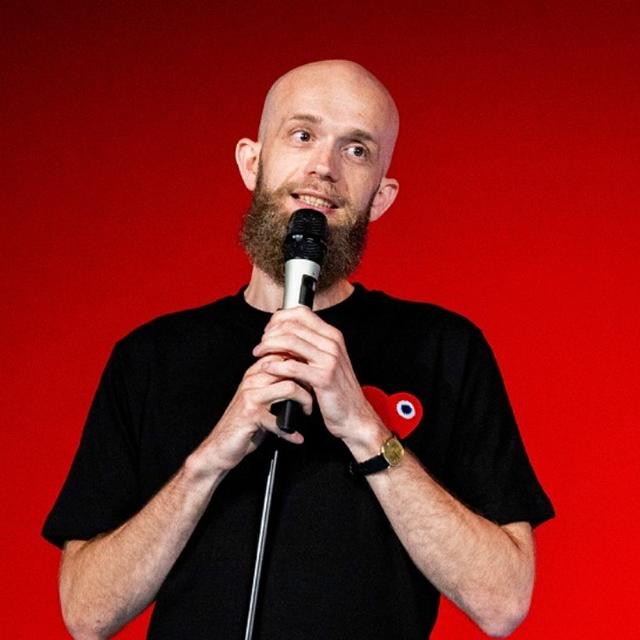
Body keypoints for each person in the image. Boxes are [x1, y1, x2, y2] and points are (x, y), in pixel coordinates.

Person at [43, 60, 553, 639]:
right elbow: (86, 614)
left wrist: (365, 428)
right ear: (251, 162)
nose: (323, 167)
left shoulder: (443, 349)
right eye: (303, 134)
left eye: (356, 149)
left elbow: (502, 601)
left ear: (381, 196)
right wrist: (208, 462)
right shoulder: (151, 358)